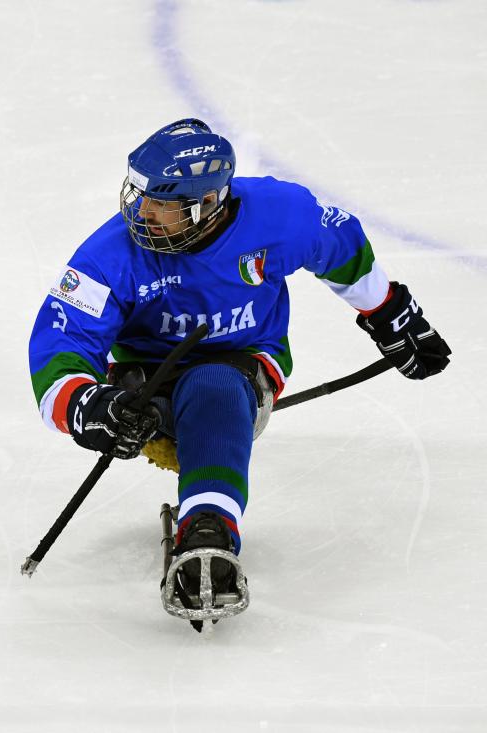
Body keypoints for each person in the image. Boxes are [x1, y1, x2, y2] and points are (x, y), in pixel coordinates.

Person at [27, 118, 450, 620]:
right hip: (147, 379)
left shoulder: (278, 216)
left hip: (242, 364)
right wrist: (88, 405)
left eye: (161, 203)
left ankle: (209, 528)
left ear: (206, 204)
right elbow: (62, 340)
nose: (142, 212)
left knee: (214, 385)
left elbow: (340, 244)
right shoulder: (109, 255)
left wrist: (389, 314)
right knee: (173, 391)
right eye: (141, 196)